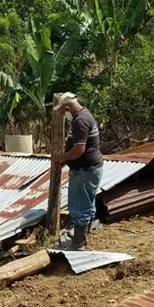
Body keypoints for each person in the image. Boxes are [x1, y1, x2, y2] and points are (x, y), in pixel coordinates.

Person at [52, 92, 103, 250]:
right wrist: (66, 159)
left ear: (68, 107)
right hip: (89, 168)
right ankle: (81, 238)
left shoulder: (80, 121)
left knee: (79, 206)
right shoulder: (84, 115)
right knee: (87, 203)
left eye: (63, 111)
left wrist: (62, 157)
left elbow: (79, 149)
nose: (63, 114)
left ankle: (78, 243)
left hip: (84, 170)